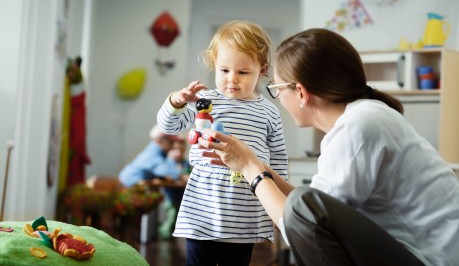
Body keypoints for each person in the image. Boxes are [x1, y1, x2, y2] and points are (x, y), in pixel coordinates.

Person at [198, 28, 459, 266]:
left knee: (303, 202)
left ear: (300, 92)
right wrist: (263, 170)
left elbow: (300, 225)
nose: (277, 98)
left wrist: (248, 166)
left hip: (432, 260)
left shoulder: (357, 127)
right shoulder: (368, 115)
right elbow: (318, 205)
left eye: (276, 88)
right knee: (305, 200)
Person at [157, 20, 288, 266]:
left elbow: (278, 159)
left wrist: (276, 202)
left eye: (243, 72)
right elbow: (168, 126)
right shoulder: (204, 100)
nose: (232, 79)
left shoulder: (268, 112)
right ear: (214, 66)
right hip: (203, 207)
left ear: (262, 70)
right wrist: (176, 101)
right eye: (224, 70)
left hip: (244, 211)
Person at [118, 125, 190, 238]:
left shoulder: (157, 153)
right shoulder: (154, 153)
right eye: (170, 141)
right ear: (160, 141)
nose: (172, 145)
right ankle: (146, 236)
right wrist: (177, 169)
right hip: (128, 187)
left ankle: (149, 235)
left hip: (134, 186)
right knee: (157, 199)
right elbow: (166, 170)